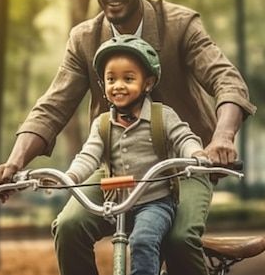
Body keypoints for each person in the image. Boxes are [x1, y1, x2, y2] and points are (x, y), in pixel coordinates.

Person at [0, 0, 256, 275]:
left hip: (186, 162)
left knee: (178, 238)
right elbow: (51, 107)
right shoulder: (84, 39)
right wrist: (14, 162)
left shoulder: (180, 25)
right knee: (69, 227)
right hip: (118, 164)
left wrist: (221, 139)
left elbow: (226, 80)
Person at [65, 34, 207, 275]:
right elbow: (88, 155)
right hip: (118, 204)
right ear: (103, 84)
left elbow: (184, 138)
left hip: (157, 203)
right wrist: (70, 177)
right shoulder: (102, 125)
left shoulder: (163, 116)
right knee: (70, 226)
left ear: (148, 83)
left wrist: (196, 154)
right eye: (111, 79)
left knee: (142, 241)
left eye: (128, 78)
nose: (118, 85)